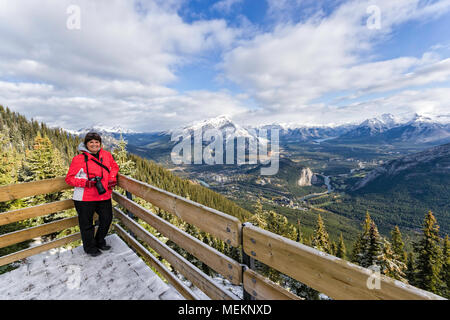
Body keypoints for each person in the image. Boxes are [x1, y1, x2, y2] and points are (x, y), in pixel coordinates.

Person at [65, 132, 120, 257]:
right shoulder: (79, 159)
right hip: (84, 197)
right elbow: (69, 179)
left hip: (103, 194)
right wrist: (86, 183)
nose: (94, 144)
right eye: (91, 142)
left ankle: (100, 241)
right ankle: (89, 247)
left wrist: (111, 177)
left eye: (97, 142)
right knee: (86, 223)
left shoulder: (106, 155)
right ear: (86, 144)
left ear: (100, 144)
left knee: (107, 219)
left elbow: (114, 167)